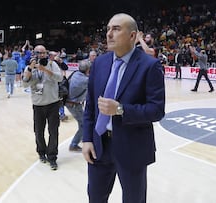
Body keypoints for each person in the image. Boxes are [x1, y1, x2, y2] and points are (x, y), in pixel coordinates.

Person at [82, 13, 165, 203]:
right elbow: (90, 107)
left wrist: (120, 109)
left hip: (132, 147)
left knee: (133, 199)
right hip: (99, 145)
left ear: (132, 36)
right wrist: (87, 139)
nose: (109, 34)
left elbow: (156, 110)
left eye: (116, 29)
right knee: (95, 197)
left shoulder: (150, 66)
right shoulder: (100, 63)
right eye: (108, 29)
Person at [22, 45, 63, 170]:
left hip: (53, 103)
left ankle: (52, 157)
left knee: (53, 131)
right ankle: (41, 152)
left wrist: (45, 70)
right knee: (39, 132)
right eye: (39, 53)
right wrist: (30, 68)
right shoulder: (30, 68)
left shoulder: (52, 64)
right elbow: (24, 83)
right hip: (38, 105)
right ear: (34, 54)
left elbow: (59, 77)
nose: (42, 55)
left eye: (44, 53)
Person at [65, 60, 91, 152]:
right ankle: (74, 144)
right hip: (74, 105)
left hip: (69, 102)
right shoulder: (86, 80)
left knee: (83, 122)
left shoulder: (75, 74)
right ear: (88, 69)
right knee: (84, 125)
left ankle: (84, 137)